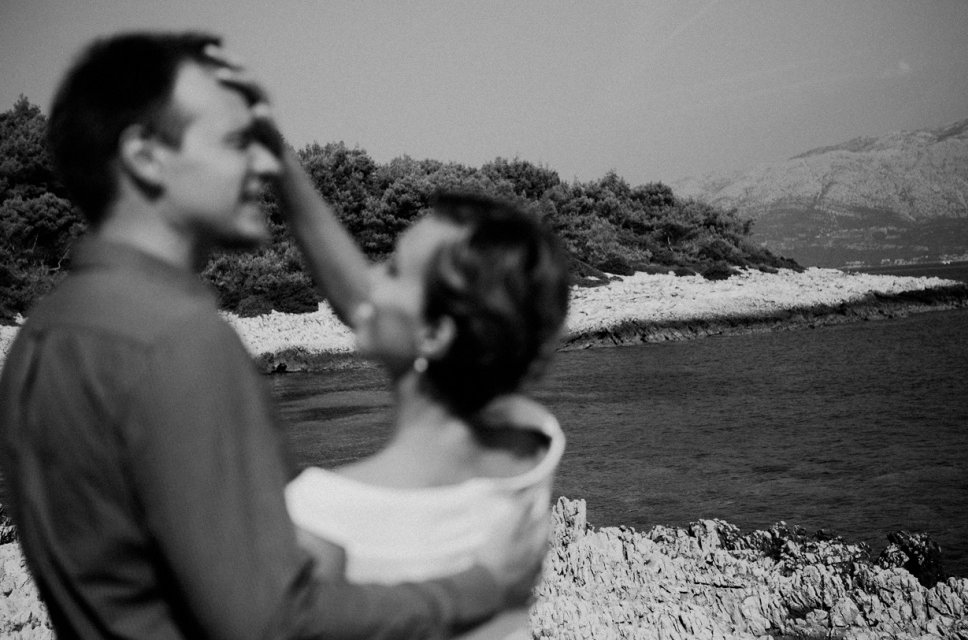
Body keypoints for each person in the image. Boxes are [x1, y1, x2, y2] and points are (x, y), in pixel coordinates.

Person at [0, 31, 547, 640]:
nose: (262, 164)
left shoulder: (40, 339)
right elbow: (271, 623)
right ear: (146, 157)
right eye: (239, 143)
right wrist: (480, 588)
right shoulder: (179, 342)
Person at [279, 186, 571, 638]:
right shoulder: (534, 447)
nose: (369, 278)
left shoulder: (321, 512)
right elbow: (377, 308)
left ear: (435, 334)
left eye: (392, 269)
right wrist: (284, 172)